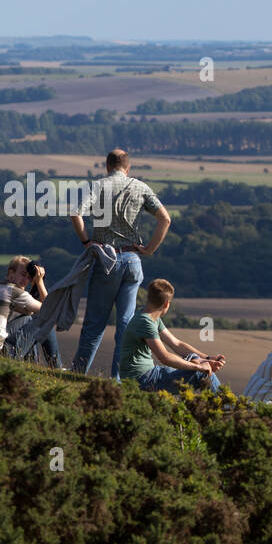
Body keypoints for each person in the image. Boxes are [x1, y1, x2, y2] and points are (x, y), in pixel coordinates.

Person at [68, 149, 171, 381]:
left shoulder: (97, 186)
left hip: (106, 261)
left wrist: (87, 241)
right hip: (133, 261)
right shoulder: (141, 187)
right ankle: (119, 380)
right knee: (125, 325)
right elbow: (165, 219)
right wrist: (150, 249)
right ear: (128, 167)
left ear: (107, 166)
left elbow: (75, 213)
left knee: (95, 323)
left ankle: (77, 375)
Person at [119, 278, 225, 394]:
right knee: (202, 374)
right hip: (143, 380)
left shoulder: (148, 316)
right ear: (166, 304)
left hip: (148, 375)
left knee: (196, 360)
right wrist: (199, 367)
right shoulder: (145, 322)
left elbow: (177, 344)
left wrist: (208, 359)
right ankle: (228, 407)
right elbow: (164, 357)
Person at [0, 257, 62, 369]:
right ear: (11, 273)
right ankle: (56, 367)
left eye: (28, 277)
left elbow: (28, 312)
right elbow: (49, 311)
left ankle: (32, 365)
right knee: (44, 320)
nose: (25, 280)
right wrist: (39, 281)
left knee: (30, 319)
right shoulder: (14, 291)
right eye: (23, 274)